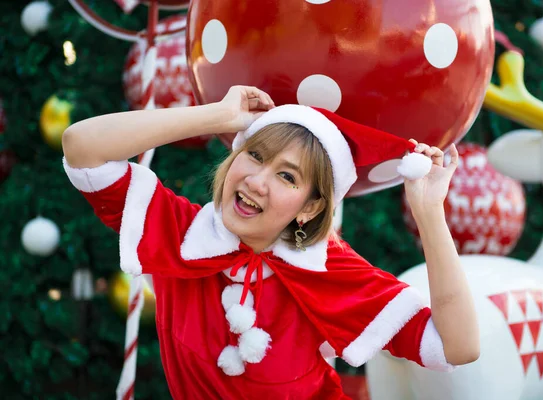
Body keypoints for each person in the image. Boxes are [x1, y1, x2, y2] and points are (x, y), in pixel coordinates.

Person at [62, 85, 479, 399]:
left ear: (311, 208)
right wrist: (219, 117)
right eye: (255, 156)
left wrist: (429, 214)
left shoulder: (329, 270)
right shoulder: (182, 233)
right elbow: (81, 147)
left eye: (287, 176)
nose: (256, 181)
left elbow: (457, 347)